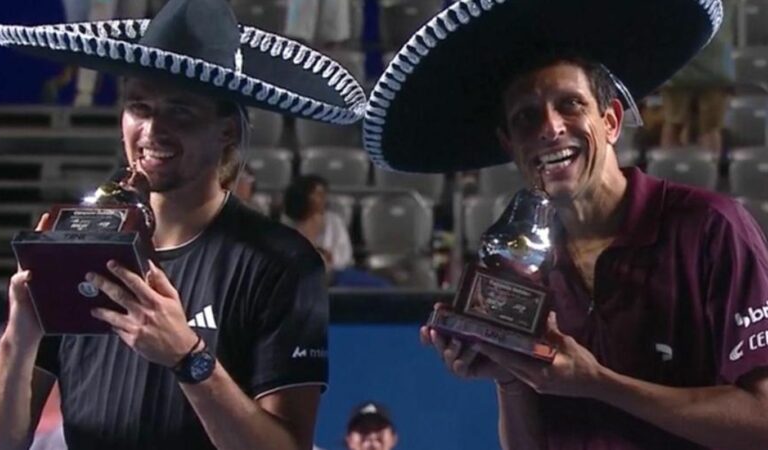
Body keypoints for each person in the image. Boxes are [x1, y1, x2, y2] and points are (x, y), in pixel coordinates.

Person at [362, 0, 768, 448]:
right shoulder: (517, 263)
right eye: (526, 117)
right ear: (510, 145)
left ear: (611, 120)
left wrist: (599, 382)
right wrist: (511, 376)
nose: (550, 128)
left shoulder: (713, 229)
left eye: (570, 105)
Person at [0, 0, 366, 449]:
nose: (153, 129)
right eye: (139, 106)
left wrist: (188, 357)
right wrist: (18, 339)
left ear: (227, 132)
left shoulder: (283, 263)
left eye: (181, 111)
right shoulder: (78, 250)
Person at [660, 0, 736, 156]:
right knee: (710, 129)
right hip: (715, 65)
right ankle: (709, 175)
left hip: (679, 63)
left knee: (674, 124)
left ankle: (667, 175)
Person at [283, 175, 354, 272]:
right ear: (303, 196)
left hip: (334, 274)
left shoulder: (334, 221)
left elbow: (345, 254)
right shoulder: (287, 224)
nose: (323, 199)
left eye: (324, 194)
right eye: (318, 194)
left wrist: (329, 257)